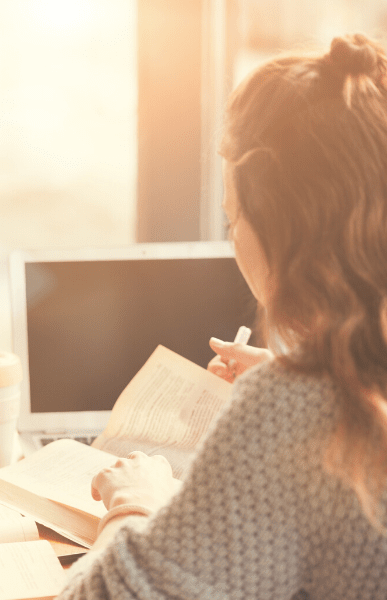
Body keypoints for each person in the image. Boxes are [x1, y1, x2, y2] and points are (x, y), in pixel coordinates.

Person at [57, 33, 387, 599]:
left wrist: (136, 500)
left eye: (233, 219)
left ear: (278, 233)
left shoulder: (293, 408)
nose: (233, 239)